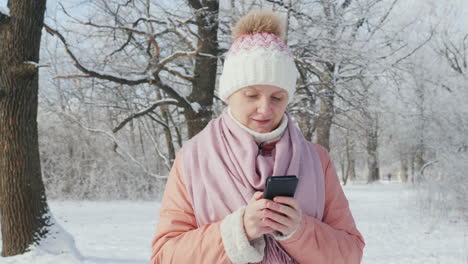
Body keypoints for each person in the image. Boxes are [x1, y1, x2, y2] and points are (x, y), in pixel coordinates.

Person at [151, 10, 365, 264]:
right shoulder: (192, 159)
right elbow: (164, 256)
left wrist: (299, 231)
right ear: (229, 94)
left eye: (277, 97)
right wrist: (237, 231)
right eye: (251, 95)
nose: (265, 109)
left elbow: (350, 254)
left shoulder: (317, 160)